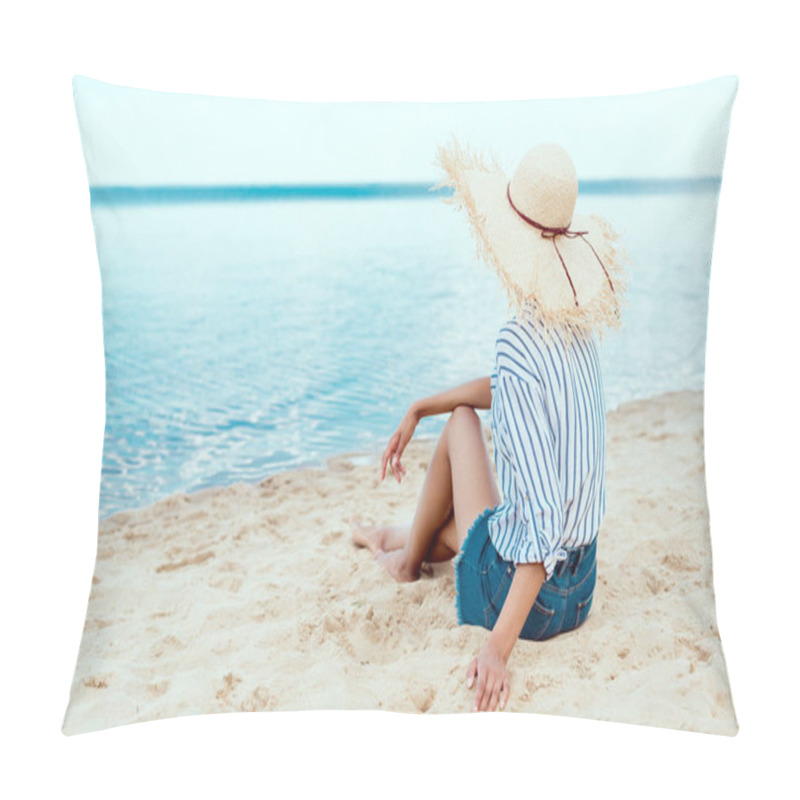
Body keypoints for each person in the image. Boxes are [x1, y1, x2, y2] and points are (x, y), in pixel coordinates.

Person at [351, 140, 626, 713]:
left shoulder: (518, 341)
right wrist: (420, 405)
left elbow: (542, 526)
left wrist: (497, 650)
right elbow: (510, 386)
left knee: (460, 426)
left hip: (534, 601)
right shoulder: (576, 325)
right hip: (583, 589)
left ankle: (404, 559)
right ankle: (397, 535)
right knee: (456, 439)